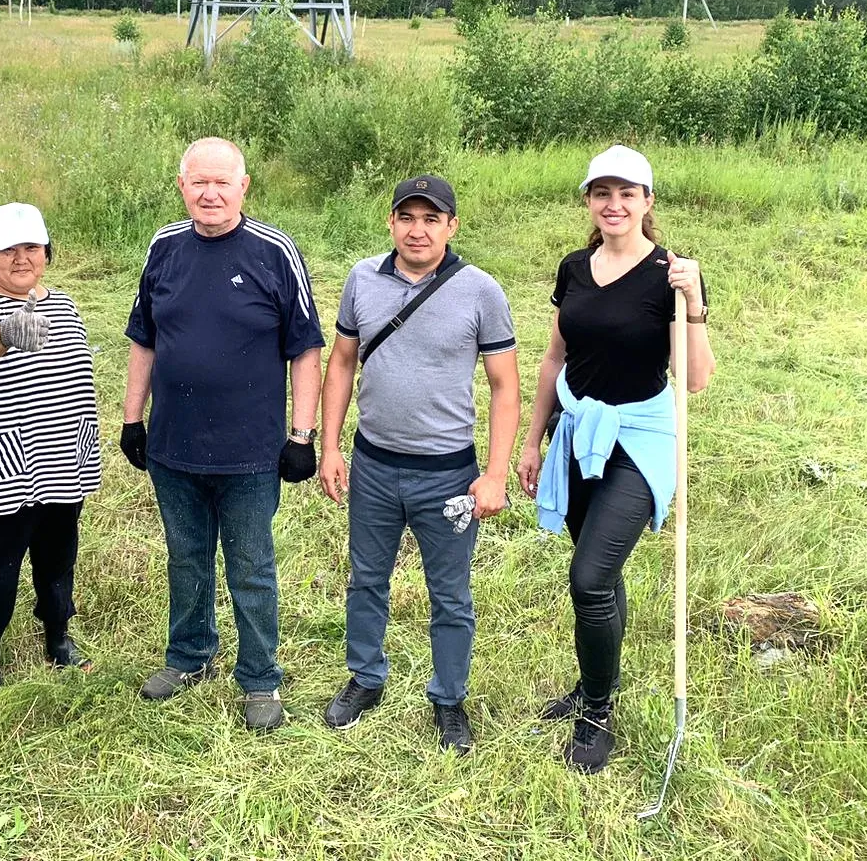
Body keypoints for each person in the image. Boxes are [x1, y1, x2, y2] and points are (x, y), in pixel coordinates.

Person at [515, 145, 714, 774]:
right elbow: (554, 357)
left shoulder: (672, 276)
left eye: (628, 193)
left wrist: (697, 308)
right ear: (589, 202)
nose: (615, 204)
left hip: (641, 438)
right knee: (598, 570)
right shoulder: (574, 267)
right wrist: (532, 436)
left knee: (590, 576)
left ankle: (597, 711)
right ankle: (598, 681)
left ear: (648, 202)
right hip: (578, 432)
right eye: (603, 193)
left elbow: (697, 378)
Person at [121, 137, 324, 732]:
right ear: (182, 186)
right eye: (197, 182)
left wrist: (302, 434)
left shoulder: (274, 251)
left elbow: (305, 350)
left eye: (222, 182)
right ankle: (189, 656)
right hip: (173, 445)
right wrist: (133, 418)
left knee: (251, 564)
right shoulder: (164, 247)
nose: (210, 193)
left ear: (244, 186)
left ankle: (260, 678)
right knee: (186, 559)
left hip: (250, 451)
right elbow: (144, 338)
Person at [317, 176, 520, 754]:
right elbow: (341, 365)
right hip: (374, 465)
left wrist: (496, 472)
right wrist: (330, 447)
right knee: (366, 579)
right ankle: (365, 678)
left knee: (450, 593)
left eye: (432, 219)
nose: (418, 229)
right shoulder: (362, 279)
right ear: (391, 222)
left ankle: (449, 698)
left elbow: (505, 388)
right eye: (407, 217)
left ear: (451, 227)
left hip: (449, 474)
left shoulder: (480, 291)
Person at [0, 203, 101, 692]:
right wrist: (6, 332)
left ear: (46, 253)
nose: (20, 258)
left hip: (65, 461)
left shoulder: (63, 303)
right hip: (2, 465)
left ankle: (57, 636)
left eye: (31, 247)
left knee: (58, 557)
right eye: (7, 249)